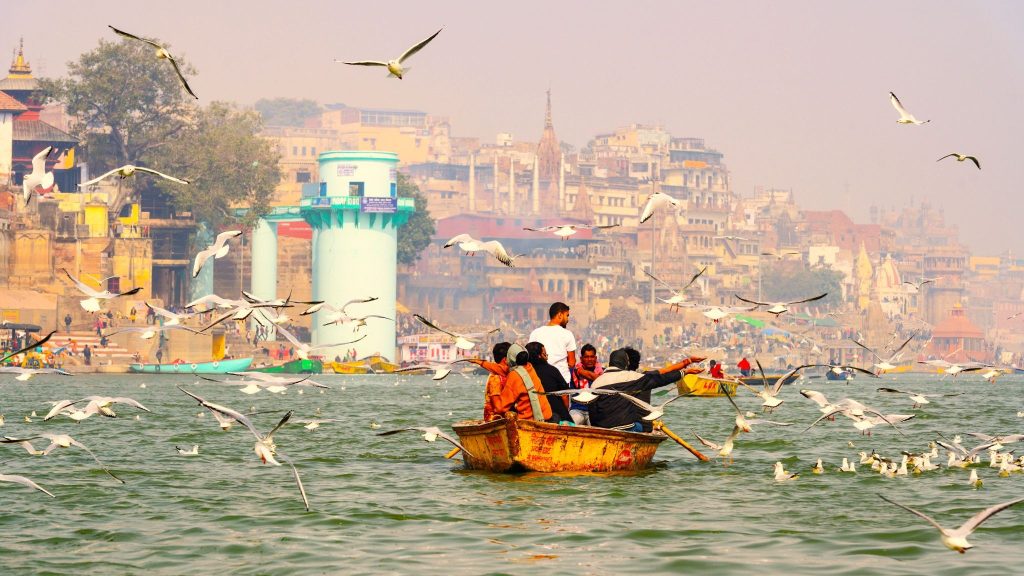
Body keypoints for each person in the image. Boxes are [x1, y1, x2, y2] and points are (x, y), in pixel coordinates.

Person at [589, 349, 705, 431]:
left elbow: (592, 410)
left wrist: (687, 363)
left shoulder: (596, 382)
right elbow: (661, 378)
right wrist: (684, 371)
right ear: (625, 363)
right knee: (642, 427)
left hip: (602, 427)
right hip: (628, 427)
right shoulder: (633, 377)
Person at [491, 344, 555, 422]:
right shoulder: (530, 367)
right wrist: (481, 363)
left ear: (510, 359)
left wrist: (493, 393)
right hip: (547, 415)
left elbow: (500, 407)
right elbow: (500, 369)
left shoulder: (514, 375)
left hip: (529, 420)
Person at [528, 302, 577, 385]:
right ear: (560, 315)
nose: (568, 319)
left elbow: (531, 357)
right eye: (567, 315)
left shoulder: (535, 333)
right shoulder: (567, 334)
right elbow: (572, 363)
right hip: (562, 381)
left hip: (540, 380)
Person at [525, 341, 573, 423]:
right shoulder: (552, 370)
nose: (547, 357)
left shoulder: (525, 373)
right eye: (545, 354)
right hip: (559, 416)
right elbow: (564, 395)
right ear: (539, 356)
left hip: (534, 417)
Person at [472, 341, 510, 421]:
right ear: (506, 359)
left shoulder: (505, 373)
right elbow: (498, 408)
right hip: (495, 421)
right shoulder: (495, 379)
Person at [569, 343, 604, 425]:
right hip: (577, 409)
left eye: (592, 357)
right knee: (571, 426)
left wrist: (582, 372)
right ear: (581, 359)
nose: (589, 359)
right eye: (586, 357)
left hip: (594, 411)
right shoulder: (573, 372)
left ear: (595, 358)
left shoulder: (602, 372)